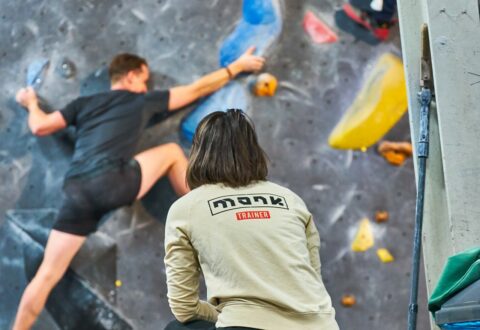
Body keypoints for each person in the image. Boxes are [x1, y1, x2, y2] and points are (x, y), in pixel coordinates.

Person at [13, 48, 265, 330]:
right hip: (113, 181)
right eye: (144, 80)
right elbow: (196, 89)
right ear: (132, 77)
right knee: (171, 151)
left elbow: (41, 126)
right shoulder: (140, 100)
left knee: (46, 275)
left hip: (77, 192)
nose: (145, 86)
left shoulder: (82, 104)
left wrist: (31, 102)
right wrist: (236, 67)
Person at [164, 109, 339, 330]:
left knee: (177, 328)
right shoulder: (291, 200)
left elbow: (184, 308)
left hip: (246, 326)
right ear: (253, 151)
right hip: (321, 325)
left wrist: (225, 313)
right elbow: (312, 279)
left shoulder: (186, 208)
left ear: (199, 152)